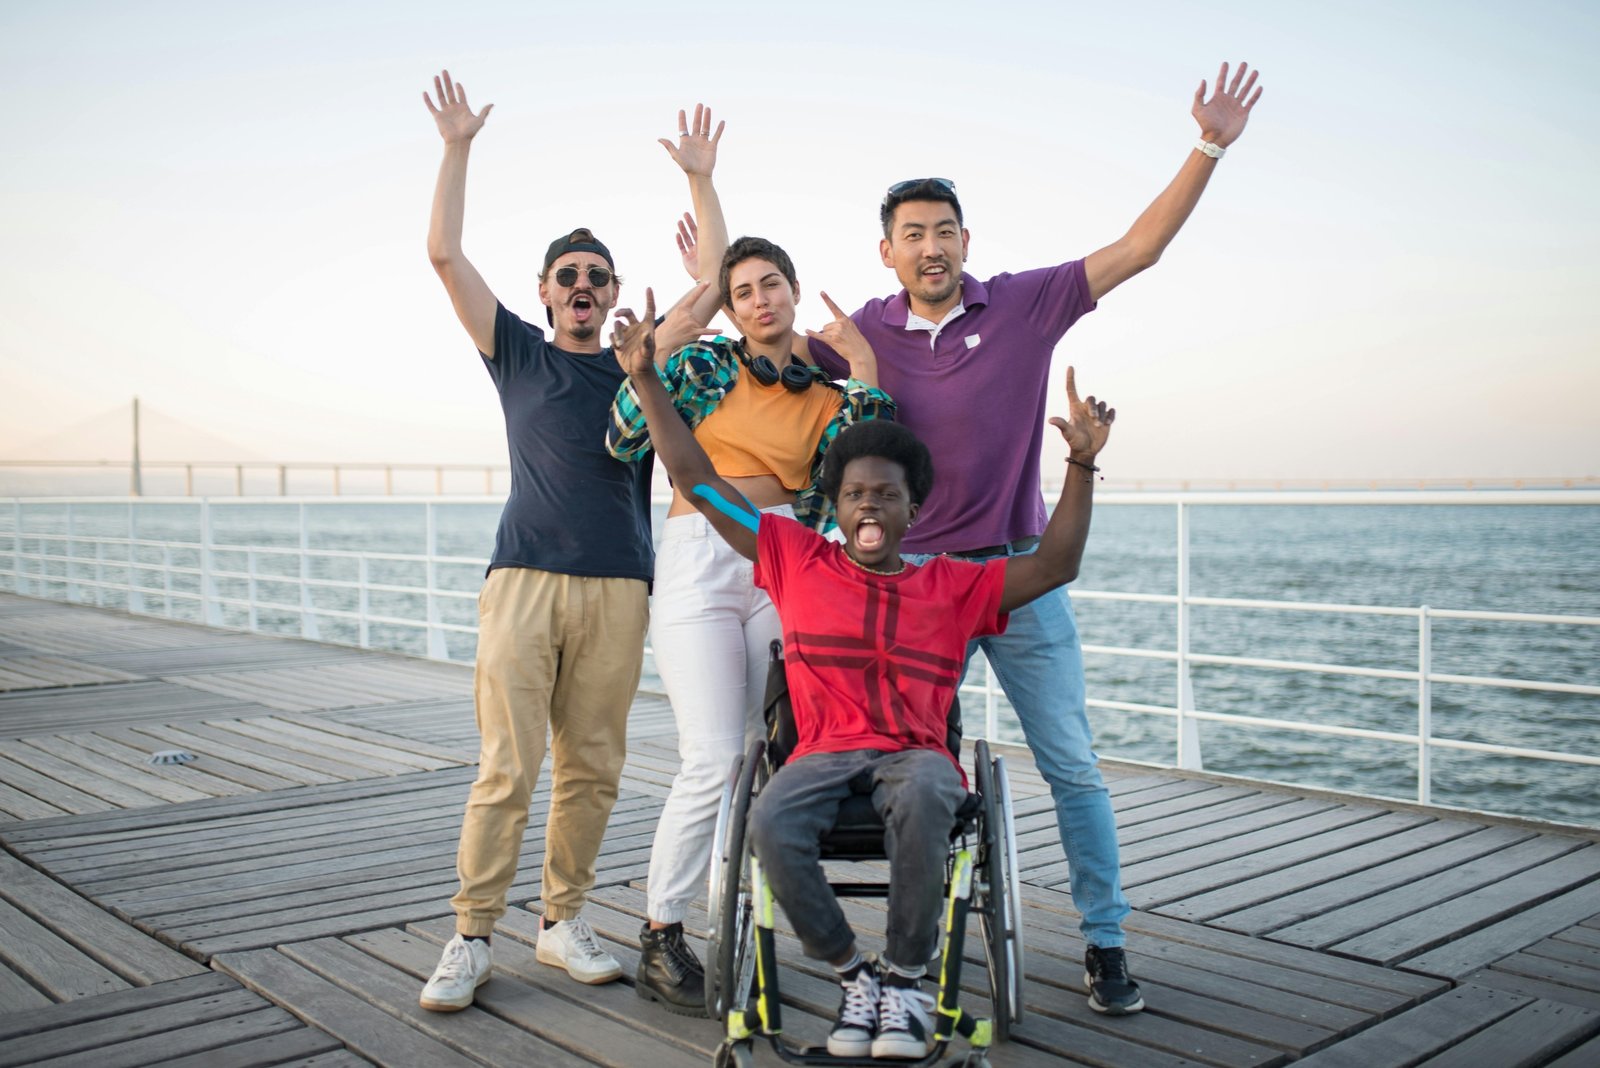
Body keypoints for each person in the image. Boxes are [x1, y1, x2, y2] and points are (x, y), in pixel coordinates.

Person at [805, 61, 1263, 1014]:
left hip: (1021, 576)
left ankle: (1105, 942)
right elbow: (756, 345)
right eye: (912, 235)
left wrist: (1208, 146)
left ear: (966, 240)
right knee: (911, 772)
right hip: (915, 586)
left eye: (944, 231)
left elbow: (1139, 248)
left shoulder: (1022, 302)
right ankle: (909, 956)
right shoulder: (858, 335)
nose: (931, 247)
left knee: (1071, 762)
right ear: (884, 251)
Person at [611, 288, 1115, 1059]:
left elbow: (1055, 562)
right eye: (854, 496)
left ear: (916, 510)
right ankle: (857, 979)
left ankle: (907, 983)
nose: (869, 507)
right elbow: (699, 481)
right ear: (835, 508)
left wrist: (1079, 463)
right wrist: (646, 379)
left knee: (923, 798)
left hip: (915, 753)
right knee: (770, 822)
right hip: (822, 753)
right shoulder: (795, 558)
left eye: (886, 495)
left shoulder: (951, 582)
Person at [415, 71, 726, 1013]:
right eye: (569, 278)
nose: (584, 288)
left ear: (616, 293)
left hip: (619, 587)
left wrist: (702, 180)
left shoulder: (642, 362)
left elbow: (710, 287)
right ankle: (471, 936)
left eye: (598, 277)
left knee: (592, 766)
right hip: (521, 582)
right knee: (507, 767)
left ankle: (560, 924)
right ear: (545, 292)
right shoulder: (516, 352)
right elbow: (441, 253)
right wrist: (458, 146)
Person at [607, 232, 893, 1014]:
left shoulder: (826, 397)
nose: (760, 300)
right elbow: (623, 435)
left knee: (757, 754)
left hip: (782, 561)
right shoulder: (707, 366)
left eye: (771, 284)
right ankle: (661, 935)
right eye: (742, 293)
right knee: (708, 756)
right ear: (730, 311)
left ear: (794, 290)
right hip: (699, 551)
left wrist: (863, 370)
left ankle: (731, 929)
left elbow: (868, 463)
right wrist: (649, 363)